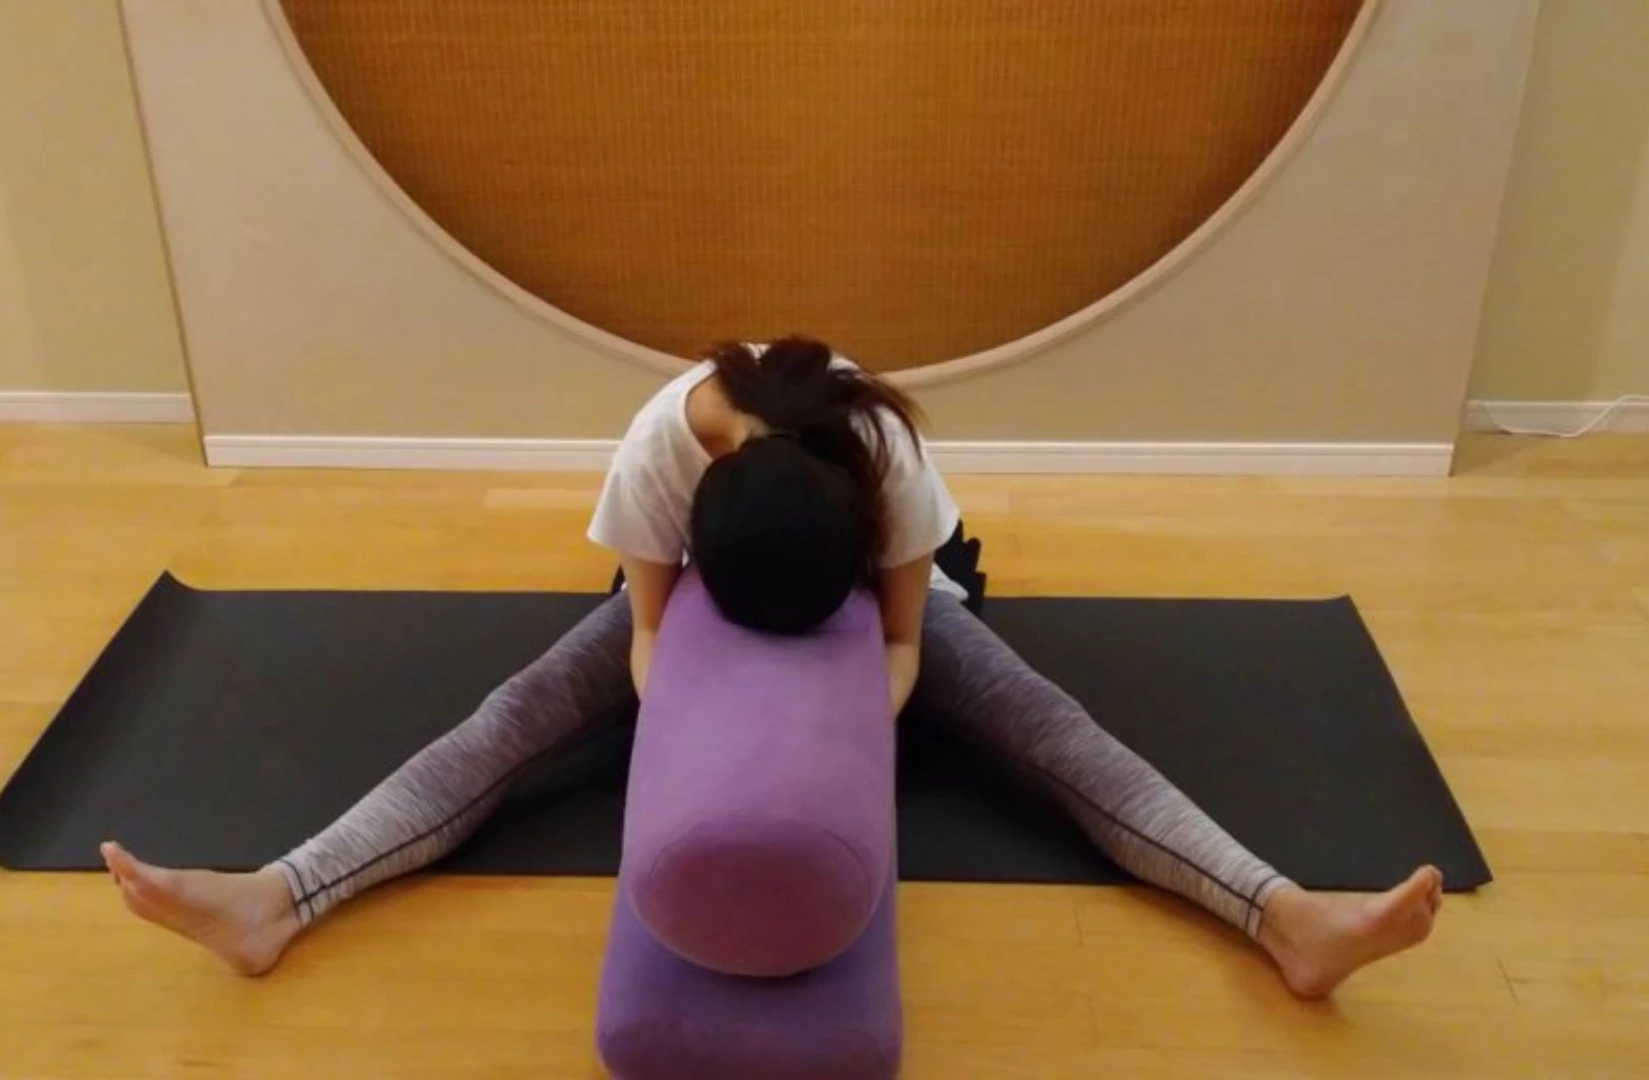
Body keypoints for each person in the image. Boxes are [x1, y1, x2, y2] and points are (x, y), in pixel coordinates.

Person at [102, 337, 1441, 998]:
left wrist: (851, 711)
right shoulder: (653, 461)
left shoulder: (889, 462)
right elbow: (639, 629)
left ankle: (1286, 920)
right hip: (693, 600)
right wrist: (691, 694)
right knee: (514, 716)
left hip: (883, 600)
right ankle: (276, 897)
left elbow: (909, 636)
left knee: (1052, 725)